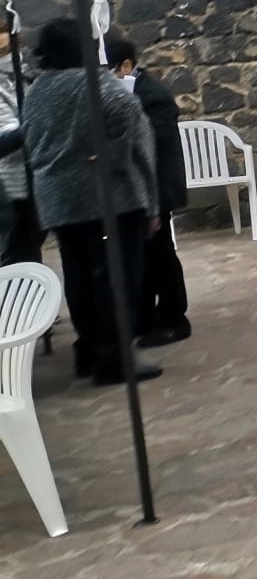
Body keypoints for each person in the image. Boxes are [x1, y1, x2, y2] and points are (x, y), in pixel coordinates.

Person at [21, 19, 161, 386]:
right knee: (118, 279)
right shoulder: (100, 87)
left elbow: (32, 145)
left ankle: (89, 352)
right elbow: (137, 142)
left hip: (60, 202)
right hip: (110, 200)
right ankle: (114, 360)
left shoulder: (36, 92)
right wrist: (151, 202)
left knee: (80, 277)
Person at [105, 33, 191, 346]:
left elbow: (152, 143)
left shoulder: (152, 95)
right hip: (135, 189)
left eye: (110, 70)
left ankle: (173, 319)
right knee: (140, 255)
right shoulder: (133, 92)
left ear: (127, 65)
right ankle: (143, 318)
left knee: (159, 254)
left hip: (155, 186)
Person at [0, 16, 39, 267]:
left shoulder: (26, 77)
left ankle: (32, 306)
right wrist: (35, 125)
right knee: (13, 259)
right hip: (8, 183)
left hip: (35, 179)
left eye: (7, 49)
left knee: (30, 253)